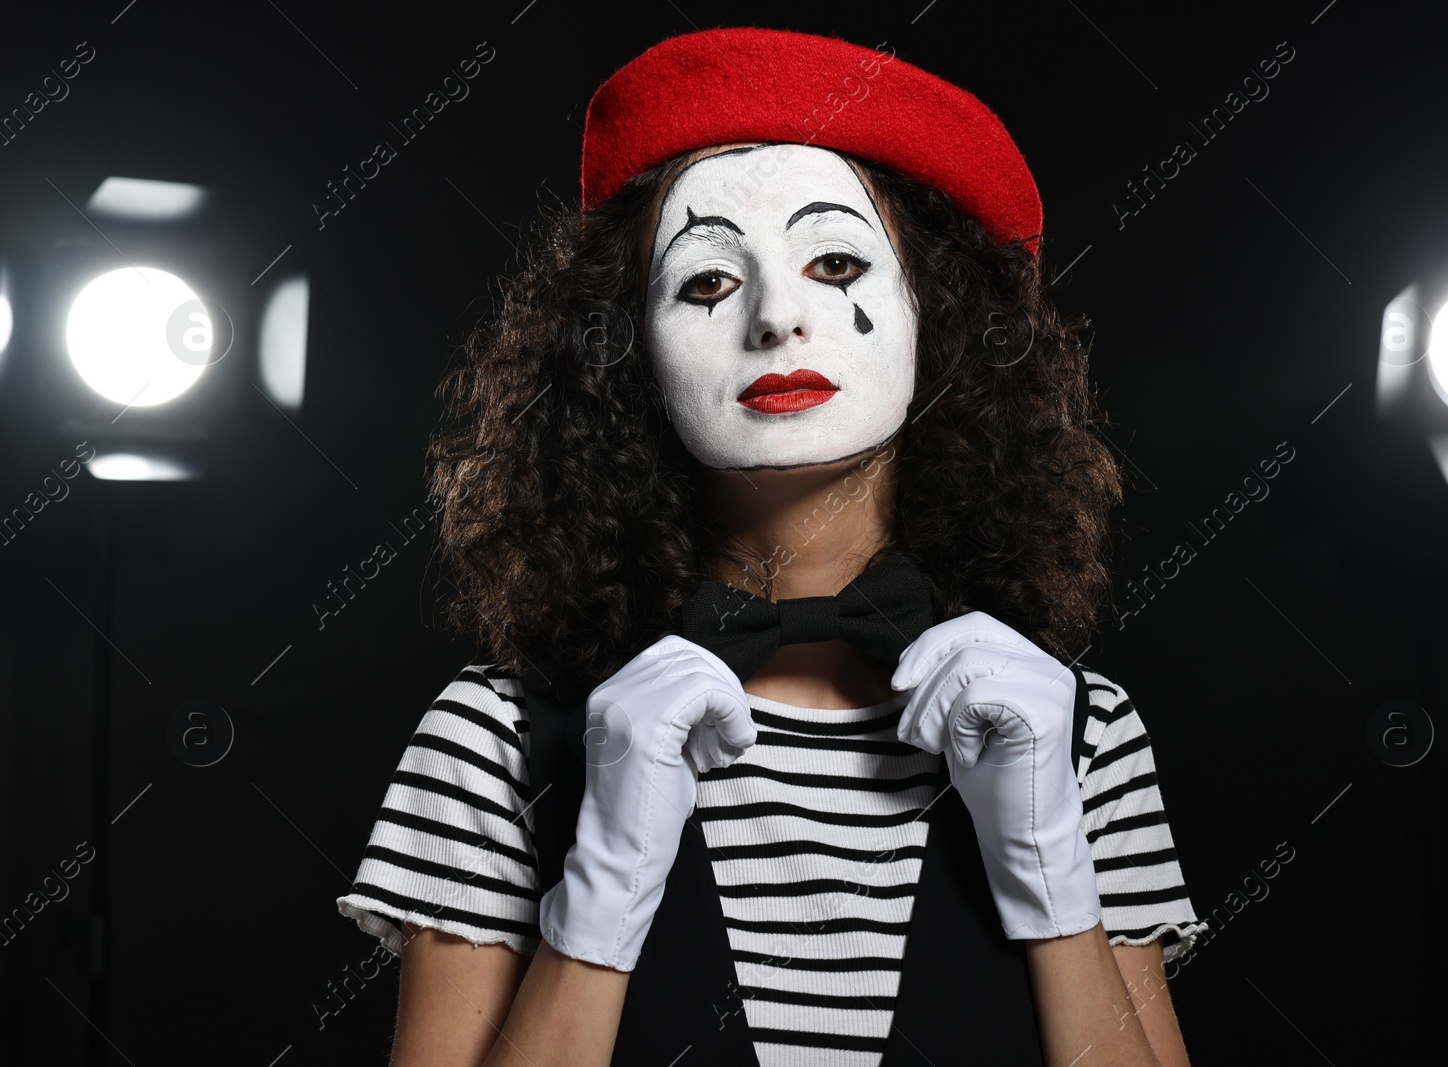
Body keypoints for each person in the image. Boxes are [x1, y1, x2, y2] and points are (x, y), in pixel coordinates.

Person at [336, 26, 1205, 1067]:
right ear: (627, 349)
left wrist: (1052, 872)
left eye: (834, 261)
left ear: (939, 315)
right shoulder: (495, 741)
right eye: (706, 281)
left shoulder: (1082, 733)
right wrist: (599, 898)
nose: (776, 318)